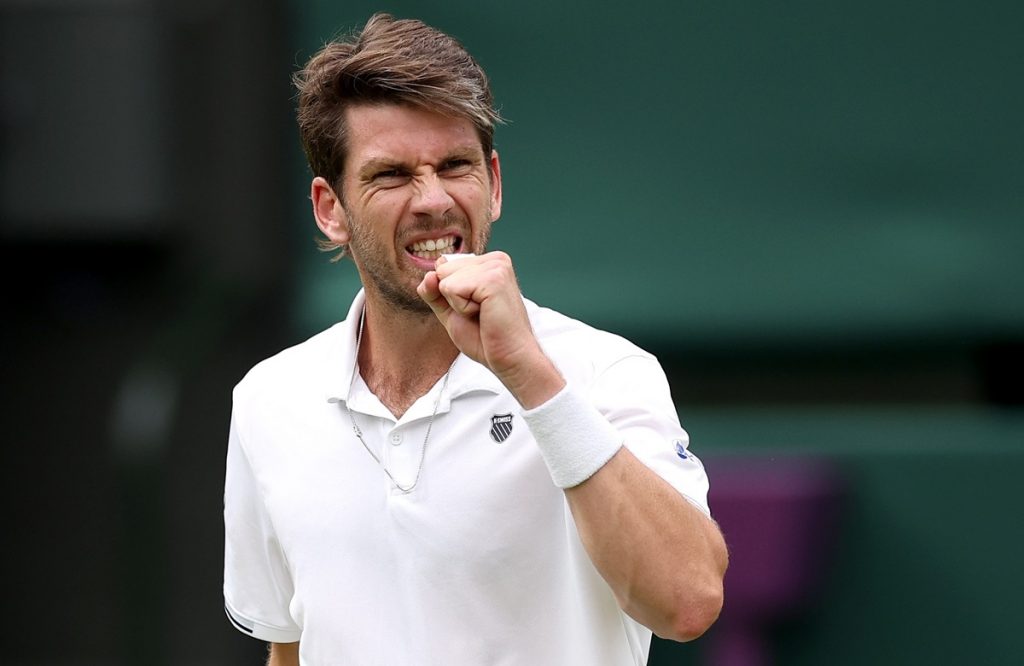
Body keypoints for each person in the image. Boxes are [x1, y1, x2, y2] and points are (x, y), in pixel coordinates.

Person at [223, 13, 727, 666]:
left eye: (455, 166)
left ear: (493, 184)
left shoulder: (603, 371)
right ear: (329, 209)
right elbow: (289, 645)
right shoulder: (270, 399)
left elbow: (686, 603)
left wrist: (530, 377)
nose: (433, 200)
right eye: (392, 175)